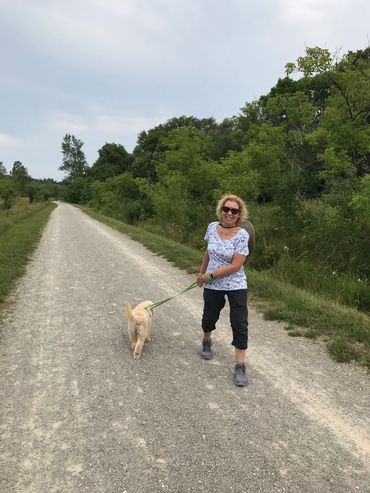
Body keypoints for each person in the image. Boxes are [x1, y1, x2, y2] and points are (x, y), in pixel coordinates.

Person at [197, 194, 250, 387]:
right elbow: (208, 252)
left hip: (236, 283)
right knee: (209, 317)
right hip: (212, 284)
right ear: (221, 210)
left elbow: (236, 265)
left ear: (239, 214)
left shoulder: (242, 235)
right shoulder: (212, 227)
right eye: (226, 209)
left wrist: (210, 275)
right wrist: (201, 273)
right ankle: (207, 340)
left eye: (234, 211)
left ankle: (240, 365)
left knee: (239, 322)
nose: (229, 213)